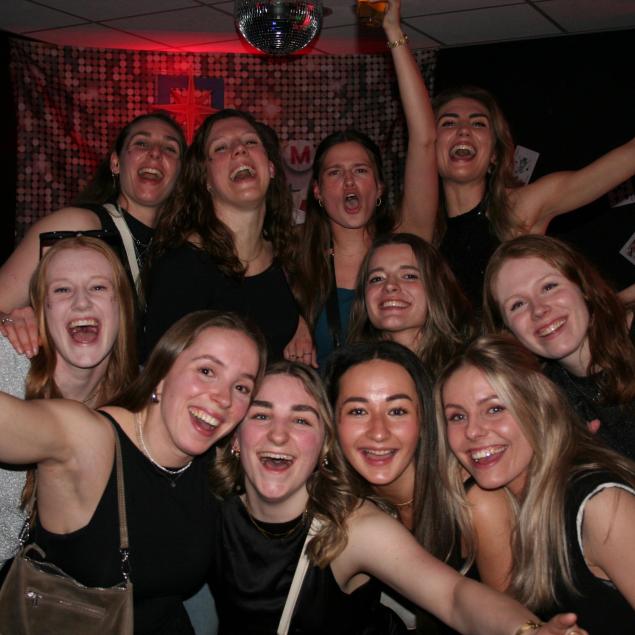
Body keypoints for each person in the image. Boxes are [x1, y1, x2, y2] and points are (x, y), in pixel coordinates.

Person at [208, 361, 586, 635]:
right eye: (261, 416)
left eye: (302, 419)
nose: (278, 435)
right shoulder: (210, 508)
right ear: (235, 437)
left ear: (325, 445)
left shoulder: (351, 528)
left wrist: (524, 630)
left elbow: (453, 595)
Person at [0, 310, 265, 634]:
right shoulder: (89, 440)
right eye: (207, 370)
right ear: (163, 371)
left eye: (241, 388)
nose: (222, 398)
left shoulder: (217, 469)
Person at [435, 335, 635, 632]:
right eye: (457, 416)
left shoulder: (600, 505)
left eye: (494, 409)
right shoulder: (502, 501)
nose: (473, 431)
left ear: (538, 407)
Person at [326, 341, 514, 633]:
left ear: (424, 419)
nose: (378, 432)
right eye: (358, 412)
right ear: (332, 423)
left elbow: (506, 622)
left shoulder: (477, 503)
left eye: (397, 411)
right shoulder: (340, 505)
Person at [292, 0, 438, 368]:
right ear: (317, 192)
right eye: (334, 173)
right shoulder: (293, 258)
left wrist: (393, 31)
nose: (348, 181)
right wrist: (292, 319)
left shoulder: (405, 244)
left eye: (360, 170)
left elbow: (424, 140)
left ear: (380, 187)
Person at [431, 84, 635, 309]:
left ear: (495, 155)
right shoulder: (419, 229)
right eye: (449, 123)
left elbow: (626, 159)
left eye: (478, 123)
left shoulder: (518, 210)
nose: (463, 130)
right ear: (429, 148)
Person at [0, 236, 137, 570]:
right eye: (62, 290)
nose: (81, 303)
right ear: (40, 310)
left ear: (122, 306)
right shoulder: (7, 364)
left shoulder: (134, 404)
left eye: (98, 288)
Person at [0, 111, 186, 357]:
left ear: (181, 174)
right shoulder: (78, 225)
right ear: (116, 163)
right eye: (141, 143)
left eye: (170, 149)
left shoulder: (181, 251)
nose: (155, 153)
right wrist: (12, 323)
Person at [142, 109, 299, 362]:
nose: (240, 150)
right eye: (221, 148)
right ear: (205, 178)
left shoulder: (285, 256)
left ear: (270, 167)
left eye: (250, 142)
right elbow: (162, 371)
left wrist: (301, 322)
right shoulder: (183, 267)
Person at [483, 234, 635, 460]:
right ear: (507, 330)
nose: (538, 309)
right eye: (517, 304)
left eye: (549, 287)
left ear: (583, 287)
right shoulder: (550, 402)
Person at [347, 233, 472, 376]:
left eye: (409, 276)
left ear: (437, 288)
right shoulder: (347, 374)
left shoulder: (469, 370)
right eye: (377, 278)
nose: (390, 286)